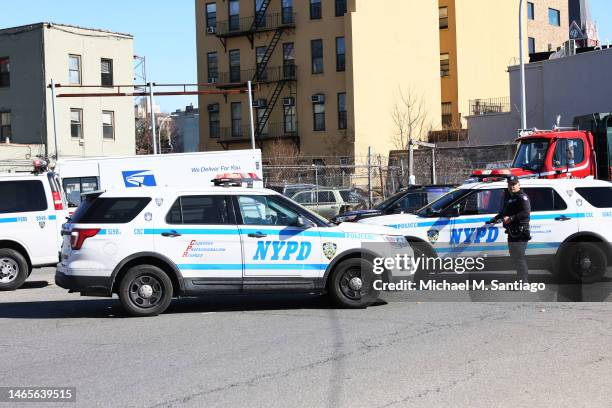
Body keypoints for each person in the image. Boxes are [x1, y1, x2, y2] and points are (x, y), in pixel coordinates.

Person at [489, 176, 531, 283]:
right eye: (510, 184)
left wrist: (511, 218)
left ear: (518, 185)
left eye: (514, 184)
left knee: (519, 257)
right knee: (515, 257)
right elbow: (504, 213)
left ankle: (523, 282)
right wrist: (495, 219)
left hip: (521, 231)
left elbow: (526, 212)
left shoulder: (522, 197)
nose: (511, 186)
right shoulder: (510, 198)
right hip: (513, 232)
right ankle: (520, 279)